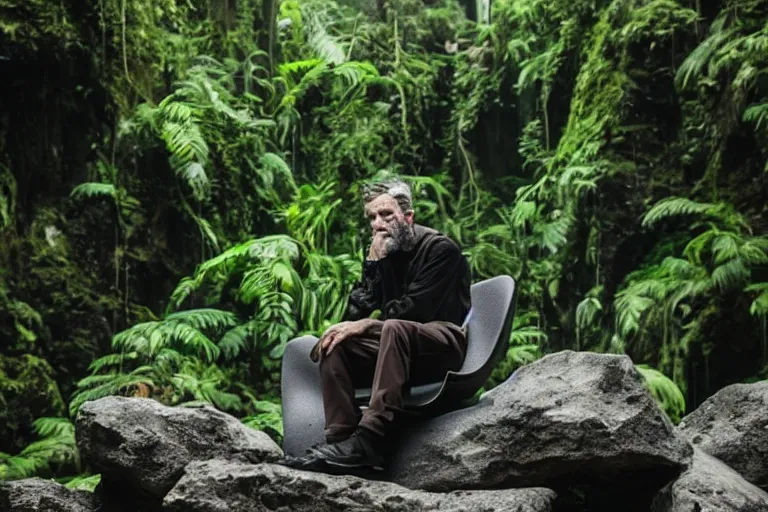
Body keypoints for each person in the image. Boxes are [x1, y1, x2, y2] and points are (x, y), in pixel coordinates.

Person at [281, 178, 471, 474]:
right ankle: (342, 441)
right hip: (396, 351)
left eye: (386, 215)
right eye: (372, 217)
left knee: (394, 327)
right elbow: (354, 314)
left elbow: (414, 313)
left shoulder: (440, 250)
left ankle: (371, 439)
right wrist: (372, 267)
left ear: (408, 217)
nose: (377, 224)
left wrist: (367, 324)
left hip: (443, 345)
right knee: (336, 340)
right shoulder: (384, 253)